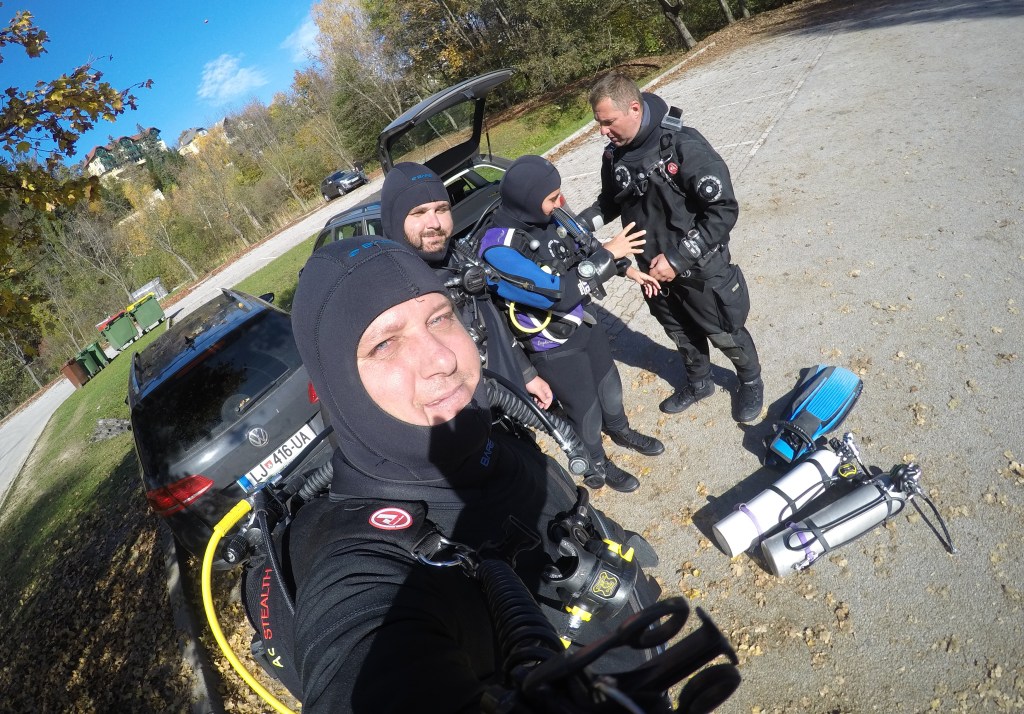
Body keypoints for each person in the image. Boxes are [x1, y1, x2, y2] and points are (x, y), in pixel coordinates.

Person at [288, 237, 661, 712]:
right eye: (385, 343)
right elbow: (363, 662)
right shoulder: (360, 566)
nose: (443, 359)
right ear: (338, 384)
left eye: (440, 318)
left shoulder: (492, 436)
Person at [580, 72, 765, 423]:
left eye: (608, 122)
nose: (602, 131)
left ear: (634, 109)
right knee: (679, 331)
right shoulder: (614, 155)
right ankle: (700, 382)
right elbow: (611, 200)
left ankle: (750, 380)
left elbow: (723, 210)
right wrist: (579, 224)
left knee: (723, 330)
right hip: (653, 270)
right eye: (598, 124)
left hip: (698, 265)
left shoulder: (682, 145)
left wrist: (679, 259)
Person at [476, 155, 664, 494]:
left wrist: (628, 270)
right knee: (583, 407)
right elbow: (558, 295)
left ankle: (620, 430)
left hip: (584, 321)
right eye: (552, 197)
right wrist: (609, 255)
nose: (559, 202)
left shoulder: (551, 214)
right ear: (527, 199)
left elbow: (586, 247)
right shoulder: (498, 249)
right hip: (551, 342)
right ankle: (596, 462)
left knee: (609, 384)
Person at [380, 161, 553, 409]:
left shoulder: (460, 258)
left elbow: (493, 321)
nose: (434, 223)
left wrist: (527, 375)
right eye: (419, 213)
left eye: (441, 209)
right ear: (395, 220)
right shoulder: (391, 290)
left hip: (510, 399)